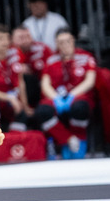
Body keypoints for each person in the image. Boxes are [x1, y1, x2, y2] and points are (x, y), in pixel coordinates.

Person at [33, 29, 98, 159]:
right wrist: (56, 98)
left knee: (80, 108)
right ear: (56, 44)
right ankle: (68, 140)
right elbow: (45, 84)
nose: (65, 45)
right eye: (61, 42)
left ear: (73, 41)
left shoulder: (86, 57)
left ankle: (80, 140)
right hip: (56, 97)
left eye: (68, 41)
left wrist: (72, 95)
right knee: (42, 111)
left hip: (78, 95)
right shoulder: (51, 60)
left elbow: (90, 81)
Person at [11, 25, 54, 110]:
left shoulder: (43, 49)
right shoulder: (9, 52)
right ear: (13, 40)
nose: (26, 40)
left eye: (28, 36)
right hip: (17, 91)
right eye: (21, 37)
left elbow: (54, 67)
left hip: (42, 86)